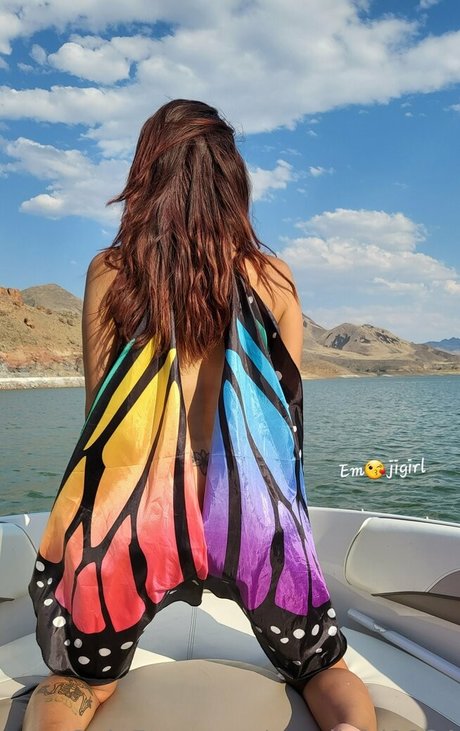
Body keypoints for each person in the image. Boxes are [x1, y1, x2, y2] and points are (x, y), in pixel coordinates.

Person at [24, 99, 377, 731]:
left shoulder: (111, 273)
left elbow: (99, 415)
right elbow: (283, 422)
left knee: (79, 681)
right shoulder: (275, 279)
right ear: (232, 181)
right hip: (250, 512)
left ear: (147, 175)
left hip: (136, 513)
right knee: (323, 670)